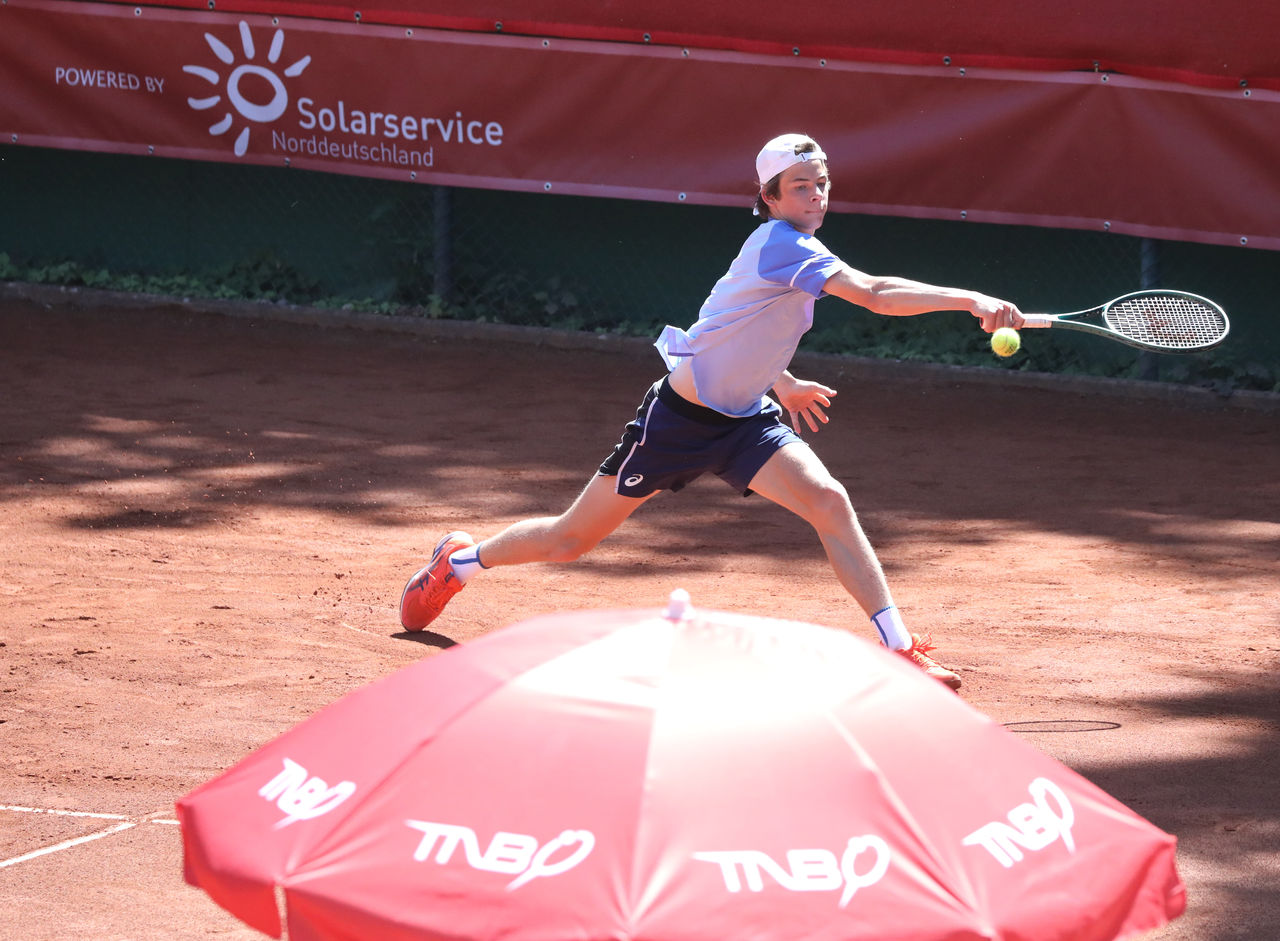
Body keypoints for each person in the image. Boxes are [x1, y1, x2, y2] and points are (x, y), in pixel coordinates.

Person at [399, 132, 1024, 690]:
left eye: (821, 185)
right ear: (771, 198)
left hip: (746, 422)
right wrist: (972, 299)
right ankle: (456, 564)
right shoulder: (782, 244)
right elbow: (875, 295)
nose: (815, 196)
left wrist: (781, 381)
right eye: (799, 187)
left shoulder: (795, 248)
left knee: (829, 501)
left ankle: (898, 648)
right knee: (571, 538)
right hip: (678, 422)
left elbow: (729, 326)